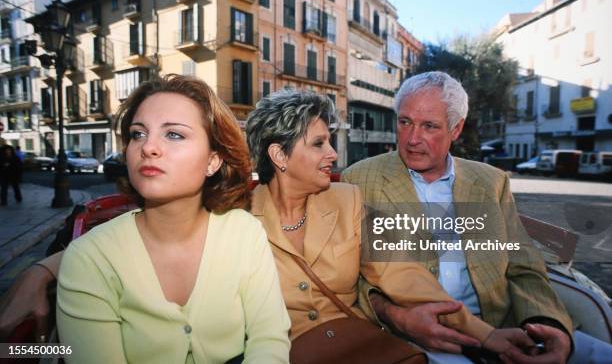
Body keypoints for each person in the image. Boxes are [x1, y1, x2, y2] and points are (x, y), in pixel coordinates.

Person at [1, 89, 532, 359]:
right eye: (320, 143)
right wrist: (41, 271)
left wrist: (488, 337)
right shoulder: (232, 212)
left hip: (353, 348)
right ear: (279, 155)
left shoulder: (347, 200)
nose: (333, 155)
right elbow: (136, 239)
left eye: (174, 134)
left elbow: (404, 275)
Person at [342, 71, 612, 363]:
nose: (412, 139)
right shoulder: (359, 179)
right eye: (405, 122)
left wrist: (549, 324)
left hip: (504, 326)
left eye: (429, 126)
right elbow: (346, 275)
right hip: (415, 339)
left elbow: (524, 267)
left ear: (456, 129)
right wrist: (396, 316)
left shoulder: (491, 181)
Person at [54, 75, 290, 363]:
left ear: (212, 161)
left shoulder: (244, 232)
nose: (148, 147)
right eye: (138, 134)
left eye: (174, 134)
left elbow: (269, 341)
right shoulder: (87, 258)